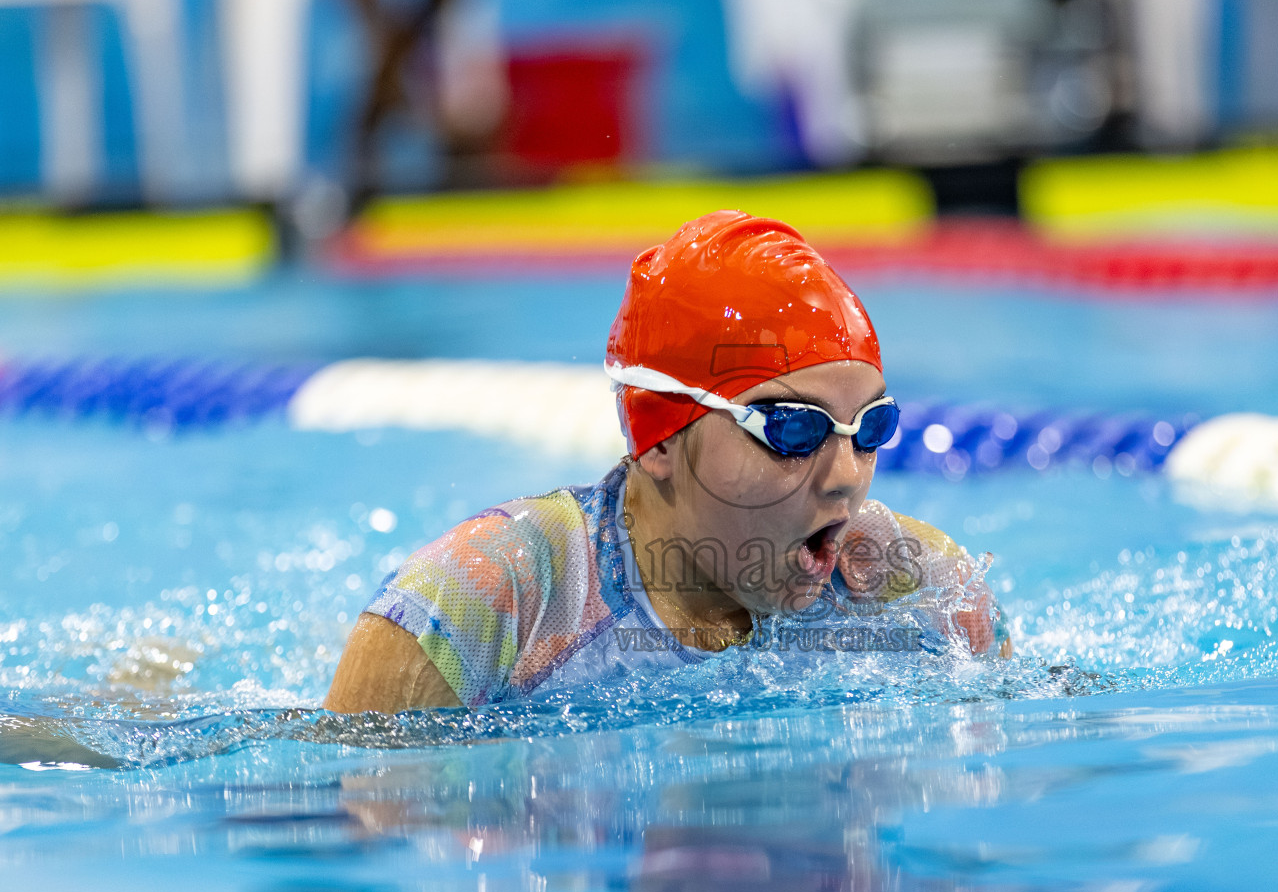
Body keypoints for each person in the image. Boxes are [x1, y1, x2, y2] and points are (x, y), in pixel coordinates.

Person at [324, 210, 1011, 713]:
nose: (844, 477)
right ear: (658, 442)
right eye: (794, 431)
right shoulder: (482, 609)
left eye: (871, 428)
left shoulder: (917, 594)